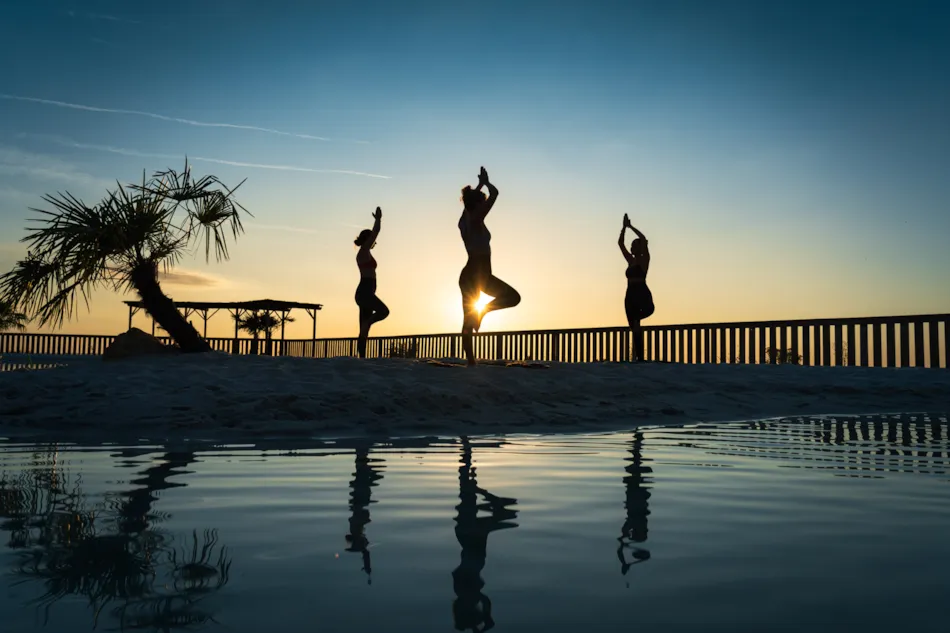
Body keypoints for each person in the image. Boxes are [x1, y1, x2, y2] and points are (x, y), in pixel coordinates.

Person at [458, 167, 520, 366]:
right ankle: (483, 311)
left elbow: (471, 201)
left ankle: (470, 361)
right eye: (482, 203)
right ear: (477, 205)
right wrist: (487, 183)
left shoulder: (464, 218)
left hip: (471, 273)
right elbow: (495, 194)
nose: (485, 205)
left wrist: (480, 184)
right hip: (478, 273)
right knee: (512, 297)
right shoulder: (476, 219)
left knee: (468, 319)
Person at [354, 207, 390, 358]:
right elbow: (375, 233)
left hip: (367, 292)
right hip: (365, 292)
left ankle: (361, 356)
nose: (374, 242)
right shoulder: (363, 252)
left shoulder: (366, 253)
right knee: (383, 311)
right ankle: (369, 322)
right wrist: (378, 220)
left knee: (363, 328)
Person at [618, 213, 654, 361]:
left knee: (638, 321)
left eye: (634, 245)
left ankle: (639, 356)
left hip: (641, 292)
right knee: (634, 325)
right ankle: (638, 356)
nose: (632, 247)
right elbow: (620, 244)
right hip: (630, 294)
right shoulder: (631, 261)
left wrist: (631, 226)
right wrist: (623, 228)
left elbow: (644, 240)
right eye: (632, 245)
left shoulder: (644, 260)